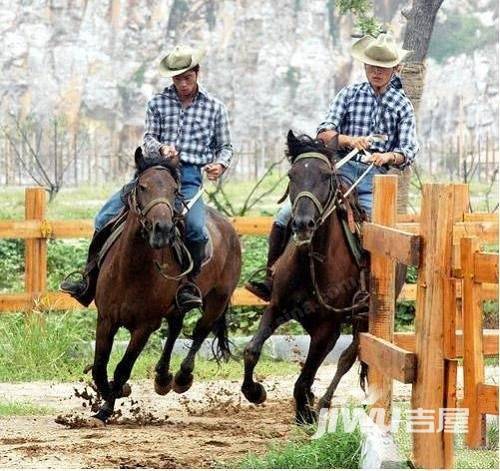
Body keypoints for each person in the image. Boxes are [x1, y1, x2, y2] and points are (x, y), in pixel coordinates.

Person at [246, 33, 419, 301]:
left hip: (374, 182)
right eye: (372, 66)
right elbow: (324, 133)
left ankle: (372, 292)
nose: (376, 72)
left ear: (394, 69)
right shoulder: (348, 95)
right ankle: (271, 277)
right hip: (337, 173)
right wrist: (350, 140)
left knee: (378, 233)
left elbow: (409, 149)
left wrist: (387, 157)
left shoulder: (402, 106)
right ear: (365, 67)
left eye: (383, 67)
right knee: (284, 215)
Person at [61, 44, 233, 313]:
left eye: (187, 77)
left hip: (187, 178)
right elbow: (149, 138)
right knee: (104, 217)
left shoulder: (215, 108)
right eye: (177, 78)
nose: (183, 84)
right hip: (153, 172)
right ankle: (89, 279)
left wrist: (220, 164)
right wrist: (162, 149)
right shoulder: (157, 102)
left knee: (197, 231)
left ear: (197, 73)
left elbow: (225, 146)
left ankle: (187, 286)